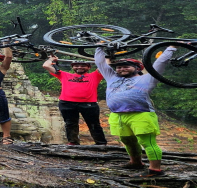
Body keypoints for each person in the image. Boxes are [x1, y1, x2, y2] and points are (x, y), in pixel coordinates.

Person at [95, 46, 176, 177]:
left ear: (137, 68)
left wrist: (171, 48)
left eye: (126, 66)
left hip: (141, 113)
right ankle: (135, 162)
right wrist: (99, 47)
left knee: (147, 142)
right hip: (117, 115)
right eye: (119, 67)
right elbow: (100, 62)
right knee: (127, 140)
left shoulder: (147, 78)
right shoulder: (112, 78)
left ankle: (155, 170)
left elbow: (160, 63)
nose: (121, 68)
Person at [42, 57, 107, 146]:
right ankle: (73, 142)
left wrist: (107, 57)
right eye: (76, 66)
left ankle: (101, 143)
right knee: (70, 123)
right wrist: (51, 59)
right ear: (72, 67)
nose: (79, 67)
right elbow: (46, 65)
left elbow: (104, 65)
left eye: (83, 66)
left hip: (89, 103)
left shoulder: (95, 75)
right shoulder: (64, 74)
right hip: (67, 103)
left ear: (89, 67)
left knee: (93, 124)